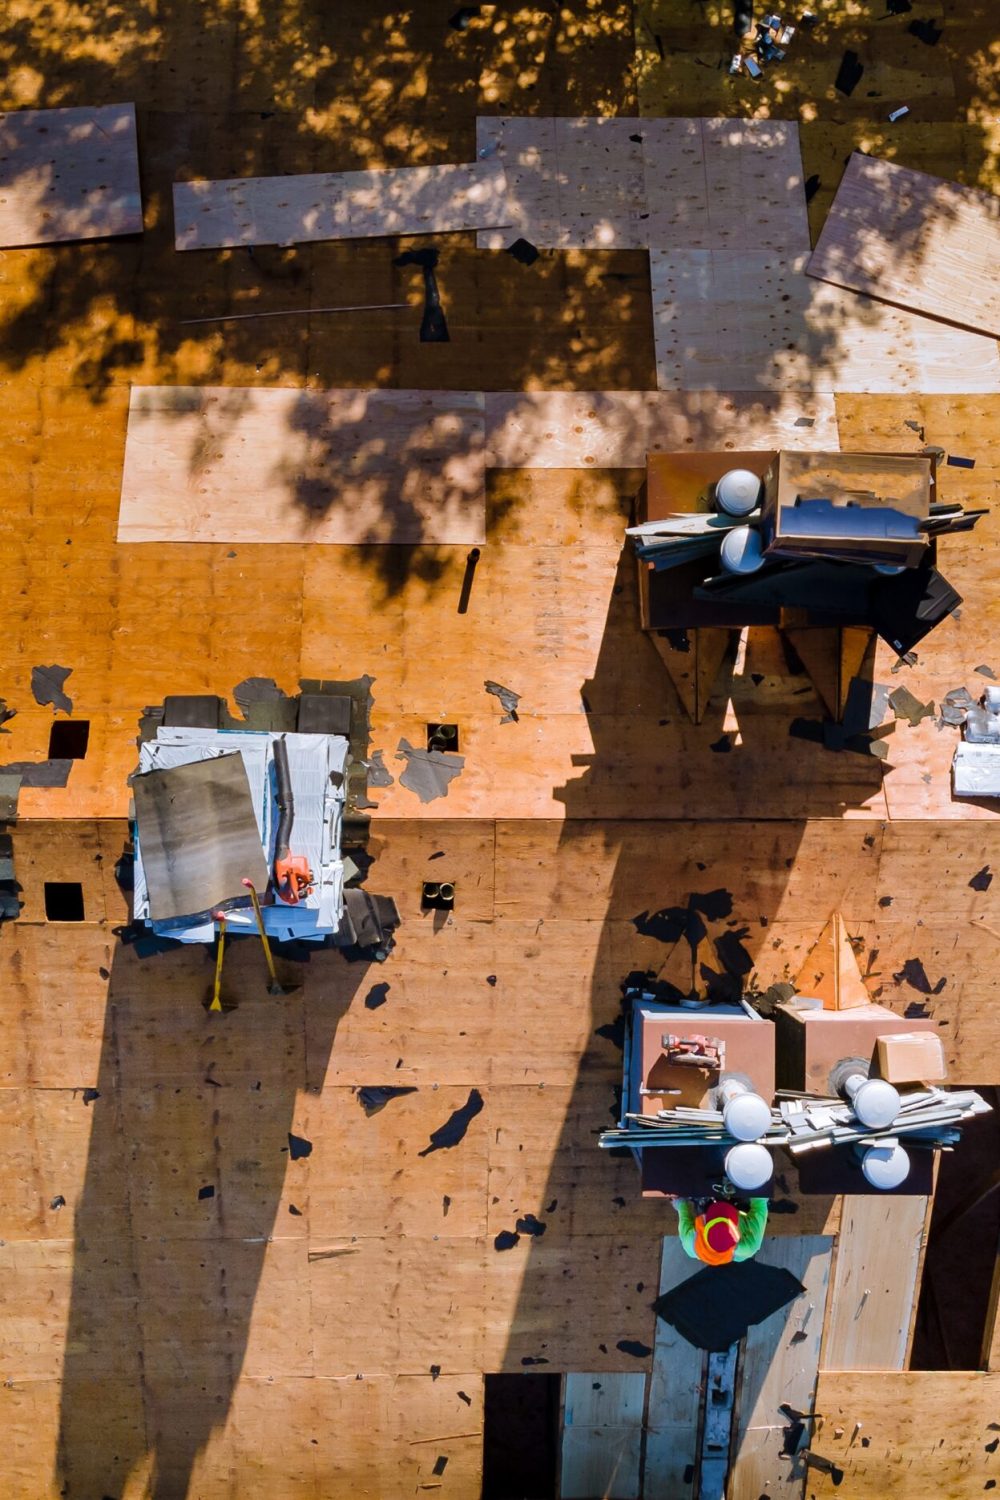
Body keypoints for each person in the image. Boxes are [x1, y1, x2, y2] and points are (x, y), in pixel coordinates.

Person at [668, 1196, 769, 1265]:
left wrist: (678, 1201)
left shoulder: (690, 1242)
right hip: (738, 1207)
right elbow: (760, 1206)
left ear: (706, 1227)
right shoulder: (749, 1245)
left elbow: (683, 1211)